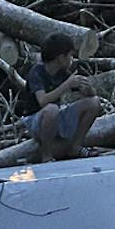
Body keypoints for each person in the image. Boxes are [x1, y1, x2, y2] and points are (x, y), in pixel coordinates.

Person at [18, 32, 97, 162]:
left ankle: (75, 147)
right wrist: (67, 84)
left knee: (93, 103)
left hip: (55, 115)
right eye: (70, 55)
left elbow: (90, 95)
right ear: (61, 57)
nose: (72, 59)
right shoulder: (37, 72)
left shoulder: (63, 73)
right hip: (35, 120)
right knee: (51, 109)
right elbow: (42, 101)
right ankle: (46, 154)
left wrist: (88, 89)